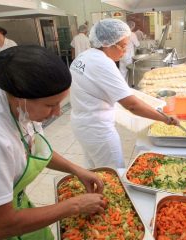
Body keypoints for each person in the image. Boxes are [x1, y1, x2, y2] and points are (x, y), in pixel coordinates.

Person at [0, 46, 105, 240]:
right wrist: (75, 205)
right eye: (50, 105)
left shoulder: (21, 109)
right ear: (21, 98)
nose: (57, 113)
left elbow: (32, 148)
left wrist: (76, 169)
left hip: (13, 206)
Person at [70, 19, 179, 169]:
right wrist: (165, 119)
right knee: (114, 173)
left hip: (82, 124)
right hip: (98, 129)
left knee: (95, 169)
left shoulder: (84, 56)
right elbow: (132, 105)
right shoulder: (103, 63)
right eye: (123, 45)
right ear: (108, 44)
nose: (125, 50)